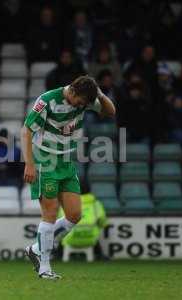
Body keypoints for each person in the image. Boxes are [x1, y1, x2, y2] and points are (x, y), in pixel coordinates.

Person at [21, 75, 115, 279]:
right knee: (50, 212)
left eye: (85, 104)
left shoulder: (85, 100)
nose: (81, 106)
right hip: (45, 161)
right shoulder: (47, 100)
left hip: (66, 162)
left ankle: (36, 249)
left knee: (75, 214)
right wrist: (29, 163)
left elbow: (110, 111)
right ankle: (44, 267)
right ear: (72, 91)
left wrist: (98, 92)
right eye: (80, 101)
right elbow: (26, 130)